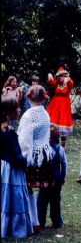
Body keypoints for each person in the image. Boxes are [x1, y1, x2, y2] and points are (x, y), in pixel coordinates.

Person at [18, 85, 52, 233]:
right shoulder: (45, 113)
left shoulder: (28, 115)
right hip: (44, 155)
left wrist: (24, 158)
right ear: (43, 99)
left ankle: (32, 221)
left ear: (28, 98)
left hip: (32, 156)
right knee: (33, 189)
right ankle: (36, 221)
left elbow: (25, 140)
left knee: (27, 187)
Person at [1, 95, 33, 238]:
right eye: (17, 108)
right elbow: (14, 157)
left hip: (2, 168)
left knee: (4, 197)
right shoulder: (10, 133)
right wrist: (26, 162)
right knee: (14, 198)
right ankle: (13, 228)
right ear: (9, 112)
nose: (20, 110)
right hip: (11, 171)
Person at [37, 123, 67, 229]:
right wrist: (63, 176)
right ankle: (57, 222)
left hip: (44, 178)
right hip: (56, 177)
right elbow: (64, 164)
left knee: (42, 200)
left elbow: (39, 162)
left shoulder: (42, 149)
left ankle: (40, 223)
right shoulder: (60, 149)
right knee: (55, 200)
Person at [46, 67, 74, 149]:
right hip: (55, 106)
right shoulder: (56, 84)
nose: (63, 78)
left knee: (63, 126)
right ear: (58, 77)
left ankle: (63, 146)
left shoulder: (68, 85)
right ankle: (53, 143)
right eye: (61, 76)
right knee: (53, 123)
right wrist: (49, 75)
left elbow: (71, 83)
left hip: (64, 107)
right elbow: (50, 81)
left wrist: (67, 79)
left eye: (64, 76)